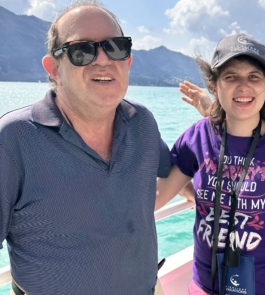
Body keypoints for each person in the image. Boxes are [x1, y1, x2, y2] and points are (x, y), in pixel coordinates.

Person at [0, 1, 171, 294]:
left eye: (115, 46)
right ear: (53, 68)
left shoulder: (141, 122)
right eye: (82, 50)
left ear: (127, 61)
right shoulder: (14, 139)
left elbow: (172, 169)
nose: (103, 60)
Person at [156, 33, 265, 295]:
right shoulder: (198, 137)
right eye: (231, 77)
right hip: (203, 288)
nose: (244, 87)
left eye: (254, 77)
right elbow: (158, 195)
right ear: (214, 85)